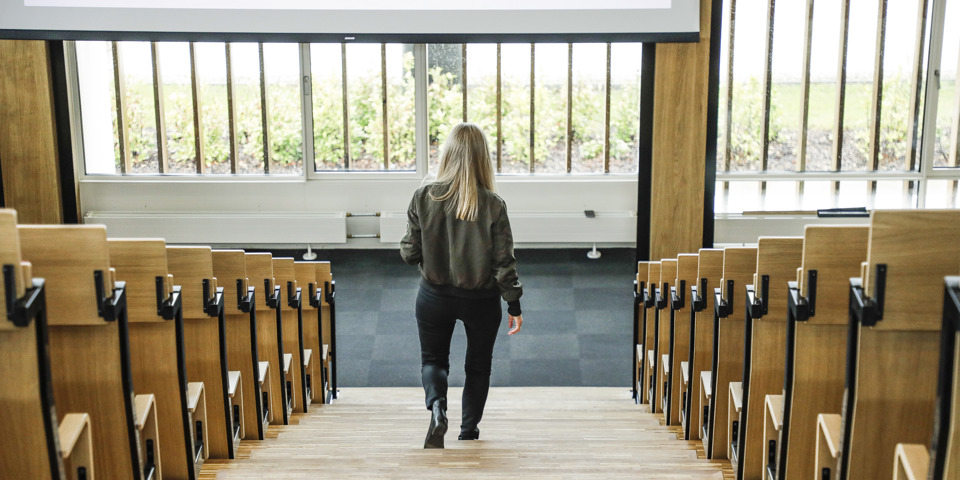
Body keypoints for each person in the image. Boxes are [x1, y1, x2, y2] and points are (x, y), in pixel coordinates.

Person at [400, 122, 524, 449]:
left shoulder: (423, 197)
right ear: (483, 158)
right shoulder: (493, 204)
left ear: (447, 155)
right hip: (481, 301)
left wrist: (431, 246)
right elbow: (503, 263)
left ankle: (438, 408)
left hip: (433, 296)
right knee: (478, 367)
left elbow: (409, 253)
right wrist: (514, 304)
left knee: (433, 361)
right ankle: (469, 432)